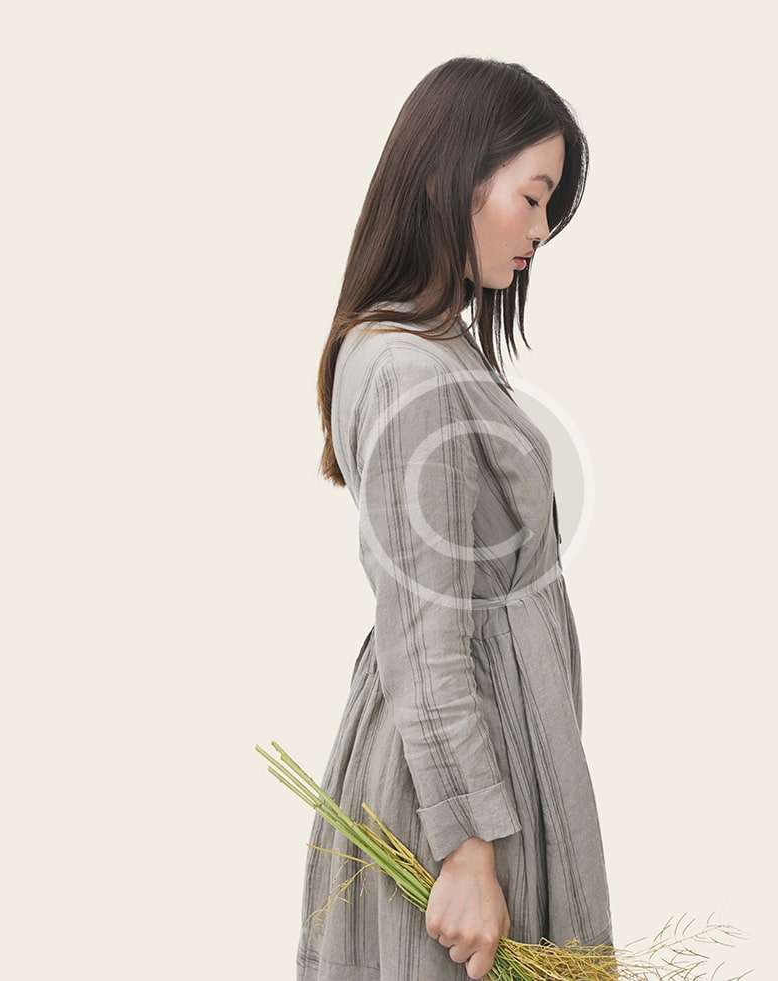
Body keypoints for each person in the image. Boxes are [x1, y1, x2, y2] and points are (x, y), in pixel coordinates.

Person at [299, 57, 612, 981]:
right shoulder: (411, 372)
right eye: (533, 197)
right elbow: (427, 632)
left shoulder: (430, 345)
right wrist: (468, 850)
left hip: (479, 770)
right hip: (453, 798)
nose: (541, 230)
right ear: (457, 177)